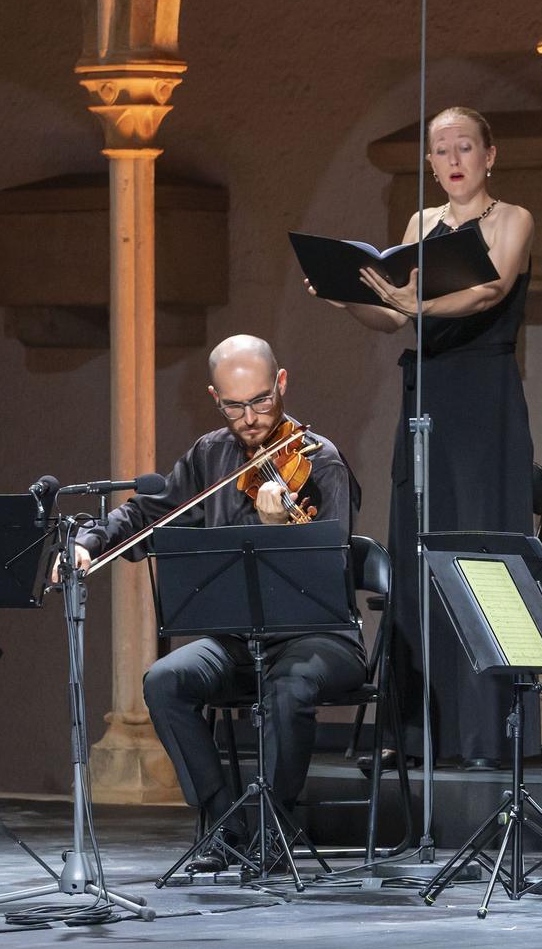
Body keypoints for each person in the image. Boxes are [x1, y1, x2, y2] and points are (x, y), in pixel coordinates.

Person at [63, 334, 363, 871]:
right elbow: (147, 513)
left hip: (319, 638)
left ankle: (274, 831)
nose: (250, 419)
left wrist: (278, 529)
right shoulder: (210, 454)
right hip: (239, 638)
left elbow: (331, 569)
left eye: (261, 401)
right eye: (234, 406)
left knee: (288, 686)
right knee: (165, 681)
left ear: (282, 383)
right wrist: (89, 541)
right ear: (214, 398)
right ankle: (225, 824)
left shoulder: (322, 463)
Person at [318, 105, 535, 767]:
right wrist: (346, 297)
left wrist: (417, 304)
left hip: (485, 398)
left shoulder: (512, 218)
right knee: (417, 548)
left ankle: (489, 735)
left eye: (465, 146)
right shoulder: (421, 224)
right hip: (429, 392)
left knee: (483, 554)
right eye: (441, 151)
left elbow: (489, 291)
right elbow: (393, 318)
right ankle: (415, 734)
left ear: (489, 154)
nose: (453, 160)